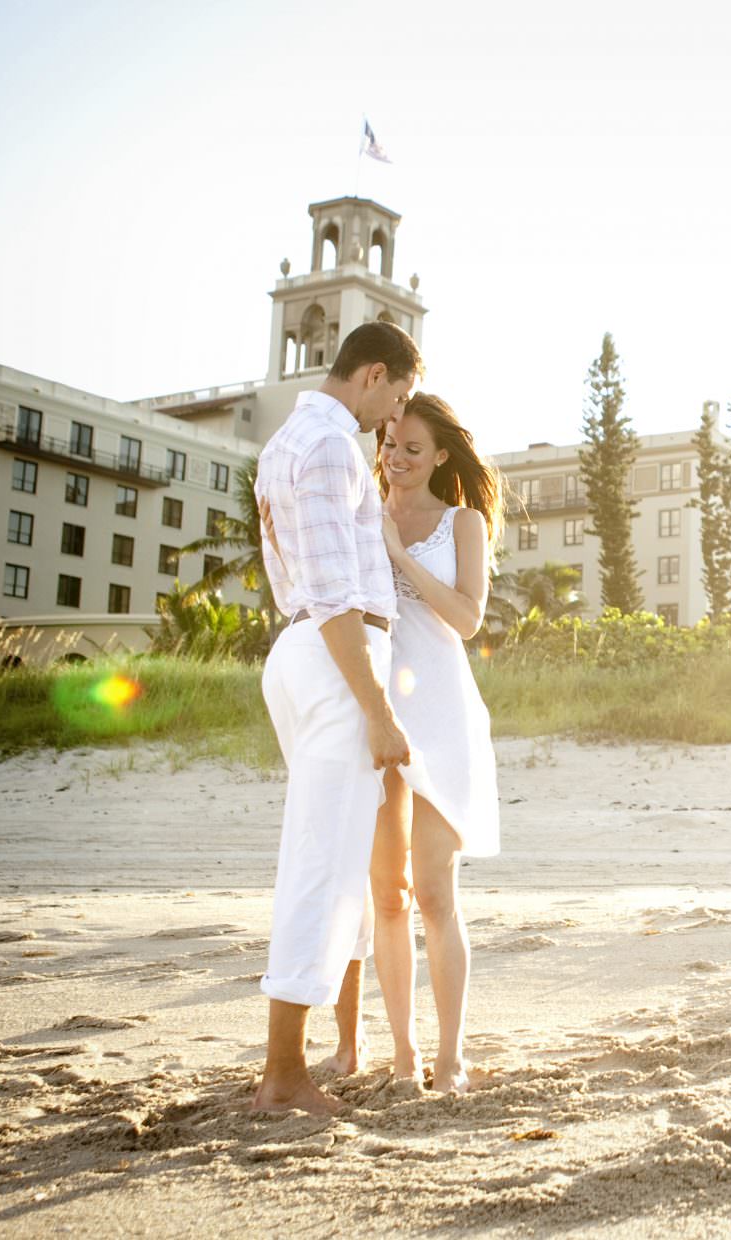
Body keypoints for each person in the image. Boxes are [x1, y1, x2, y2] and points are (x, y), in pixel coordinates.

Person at [251, 321, 422, 1116]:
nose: (395, 417)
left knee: (333, 852)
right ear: (374, 374)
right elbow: (330, 593)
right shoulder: (326, 448)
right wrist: (379, 710)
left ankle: (305, 1056)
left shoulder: (285, 440)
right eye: (399, 397)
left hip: (307, 660)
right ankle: (283, 1075)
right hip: (334, 662)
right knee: (321, 861)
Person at [369, 392, 503, 1093]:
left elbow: (468, 618)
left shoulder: (463, 523)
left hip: (443, 714)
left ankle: (451, 1056)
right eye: (390, 443)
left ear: (441, 455)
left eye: (413, 449)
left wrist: (401, 557)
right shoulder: (363, 511)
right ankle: (402, 1053)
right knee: (385, 896)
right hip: (376, 710)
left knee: (433, 893)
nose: (395, 458)